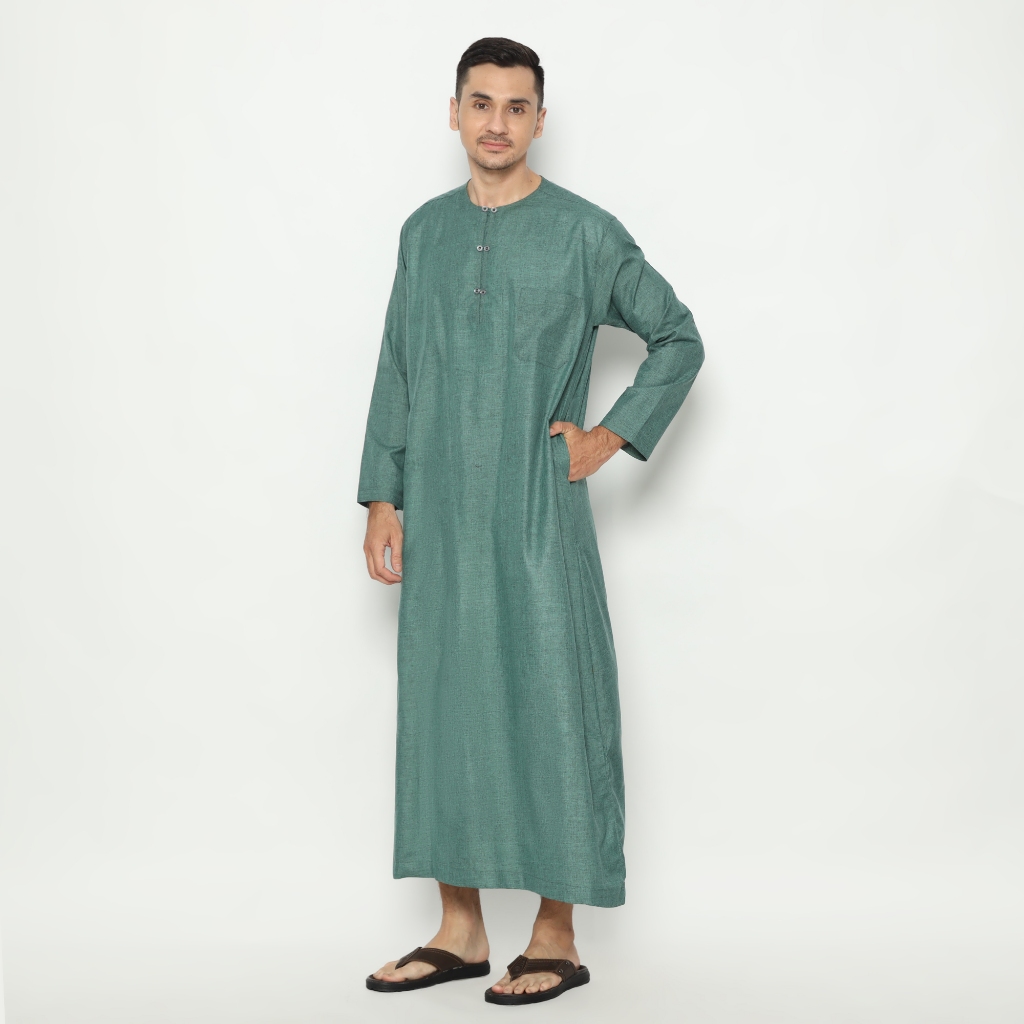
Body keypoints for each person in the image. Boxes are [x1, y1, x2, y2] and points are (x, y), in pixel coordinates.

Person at [358, 37, 704, 1006]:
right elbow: (397, 364)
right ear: (455, 112)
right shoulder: (424, 234)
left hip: (536, 508)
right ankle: (460, 930)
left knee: (554, 696)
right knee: (443, 704)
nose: (497, 122)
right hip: (440, 509)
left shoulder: (584, 232)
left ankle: (555, 934)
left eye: (517, 106)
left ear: (540, 119)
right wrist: (383, 493)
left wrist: (607, 437)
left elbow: (677, 336)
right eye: (481, 103)